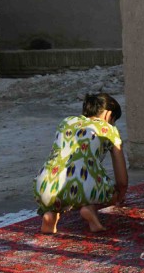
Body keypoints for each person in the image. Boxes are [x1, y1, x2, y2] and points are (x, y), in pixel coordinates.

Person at [34, 92, 128, 235]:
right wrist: (119, 196)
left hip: (44, 185)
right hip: (82, 187)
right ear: (108, 115)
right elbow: (121, 179)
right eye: (113, 120)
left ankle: (50, 214)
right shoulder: (109, 130)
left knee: (66, 191)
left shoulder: (66, 122)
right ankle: (90, 209)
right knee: (103, 191)